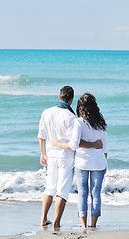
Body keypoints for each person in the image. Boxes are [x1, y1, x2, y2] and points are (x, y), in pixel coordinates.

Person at [37, 86, 101, 228]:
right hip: (66, 156)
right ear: (71, 100)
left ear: (59, 97)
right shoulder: (72, 117)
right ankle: (56, 223)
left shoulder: (46, 112)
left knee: (50, 187)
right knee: (62, 190)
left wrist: (42, 153)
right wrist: (94, 145)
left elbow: (41, 135)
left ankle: (43, 219)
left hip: (51, 155)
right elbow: (76, 143)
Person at [51, 93, 108, 229]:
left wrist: (57, 143)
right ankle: (93, 225)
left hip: (82, 162)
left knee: (83, 194)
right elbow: (105, 147)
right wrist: (104, 163)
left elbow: (74, 144)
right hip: (99, 162)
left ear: (80, 107)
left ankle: (83, 225)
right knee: (96, 194)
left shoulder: (79, 122)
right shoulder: (101, 123)